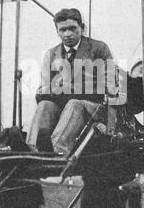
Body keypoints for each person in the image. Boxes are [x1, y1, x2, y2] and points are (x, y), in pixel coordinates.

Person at [26, 8, 116, 155]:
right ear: (57, 32)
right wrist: (53, 89)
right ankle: (31, 149)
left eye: (72, 28)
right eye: (62, 30)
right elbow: (42, 90)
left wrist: (74, 87)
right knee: (44, 105)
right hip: (62, 109)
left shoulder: (99, 48)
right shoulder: (51, 54)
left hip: (93, 108)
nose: (67, 34)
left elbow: (110, 85)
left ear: (82, 28)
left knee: (74, 104)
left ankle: (56, 150)